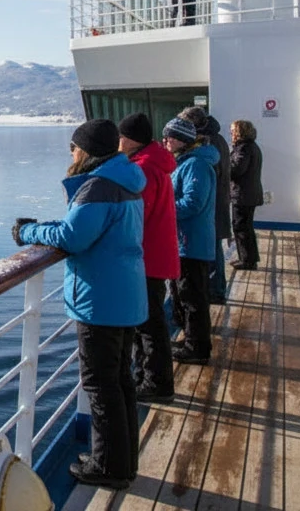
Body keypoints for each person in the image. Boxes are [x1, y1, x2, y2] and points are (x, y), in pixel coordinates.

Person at [14, 118, 146, 489]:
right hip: (124, 293)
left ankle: (109, 467)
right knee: (119, 382)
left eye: (73, 147)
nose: (70, 154)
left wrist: (27, 232)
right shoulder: (125, 180)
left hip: (100, 300)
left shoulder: (98, 186)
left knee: (102, 385)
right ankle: (122, 461)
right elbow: (85, 226)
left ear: (85, 150)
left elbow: (73, 236)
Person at [118, 112, 179, 404]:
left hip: (147, 258)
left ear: (129, 140)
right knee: (150, 322)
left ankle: (157, 382)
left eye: (120, 137)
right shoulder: (155, 163)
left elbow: (136, 217)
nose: (117, 142)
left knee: (149, 324)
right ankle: (147, 377)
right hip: (157, 254)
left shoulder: (142, 170)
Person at [164, 116, 218, 365]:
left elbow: (193, 203)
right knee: (185, 294)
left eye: (170, 137)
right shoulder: (186, 163)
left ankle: (197, 348)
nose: (166, 141)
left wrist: (162, 210)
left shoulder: (194, 165)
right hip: (186, 242)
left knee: (192, 296)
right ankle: (191, 341)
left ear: (183, 140)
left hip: (192, 243)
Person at [180, 107, 231, 304]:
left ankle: (215, 290)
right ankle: (216, 289)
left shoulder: (207, 145)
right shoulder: (218, 140)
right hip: (218, 200)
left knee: (213, 249)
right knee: (214, 246)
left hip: (212, 204)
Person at [229, 120, 264, 269]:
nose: (231, 133)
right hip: (248, 193)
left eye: (232, 131)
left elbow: (237, 170)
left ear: (239, 132)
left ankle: (247, 260)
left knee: (241, 226)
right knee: (245, 227)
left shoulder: (243, 148)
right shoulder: (251, 147)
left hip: (243, 194)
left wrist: (224, 168)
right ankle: (249, 258)